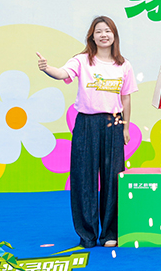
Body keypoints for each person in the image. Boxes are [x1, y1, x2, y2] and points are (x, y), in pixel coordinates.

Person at [37, 16, 138, 248]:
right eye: (99, 31)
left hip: (113, 123)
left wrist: (125, 126)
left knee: (112, 179)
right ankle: (87, 234)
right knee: (84, 178)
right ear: (92, 36)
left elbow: (126, 98)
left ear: (114, 35)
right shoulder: (82, 60)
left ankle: (110, 233)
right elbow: (63, 73)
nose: (104, 35)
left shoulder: (124, 65)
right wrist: (47, 69)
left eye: (108, 31)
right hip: (86, 124)